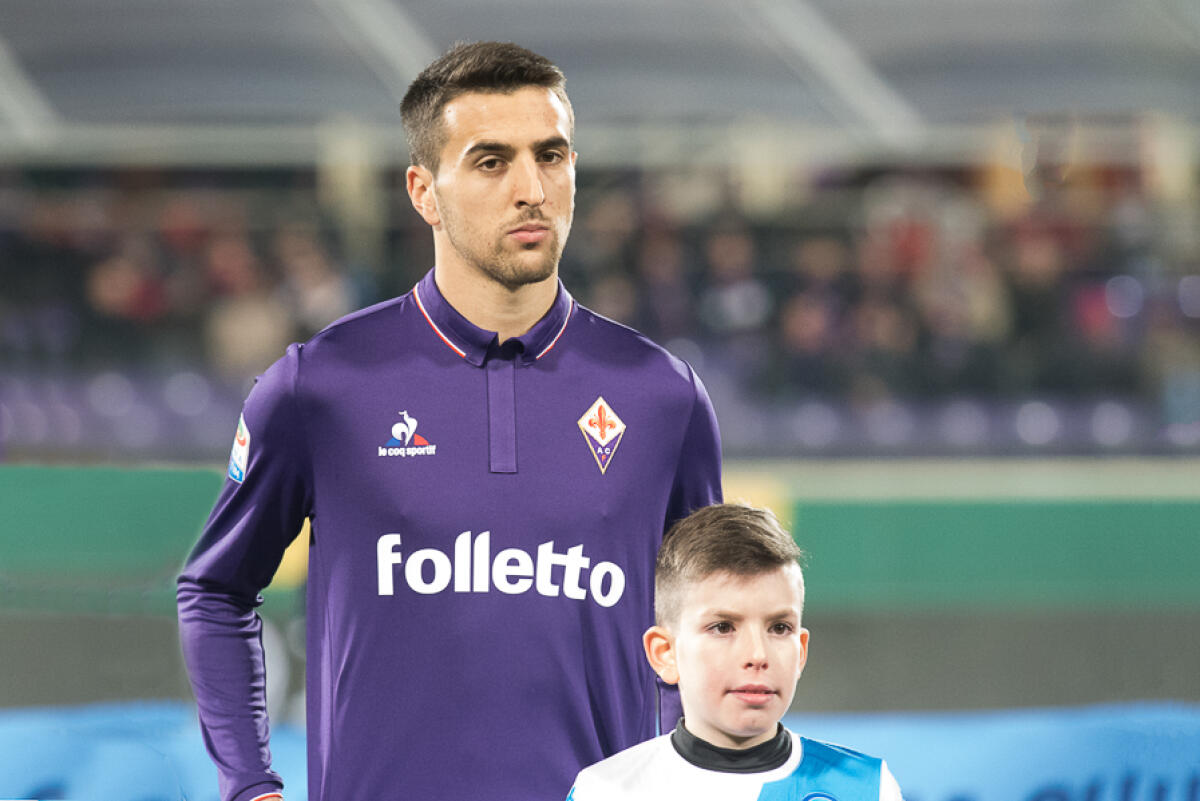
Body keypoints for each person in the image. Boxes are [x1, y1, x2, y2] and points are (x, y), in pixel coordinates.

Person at [176, 41, 722, 801]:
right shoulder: (319, 386)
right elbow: (215, 591)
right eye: (492, 161)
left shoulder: (664, 397)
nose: (532, 188)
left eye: (552, 155)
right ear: (424, 191)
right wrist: (250, 785)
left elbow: (708, 621)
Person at [567, 503, 903, 800]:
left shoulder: (867, 788)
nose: (757, 655)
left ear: (800, 652)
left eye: (779, 628)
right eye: (723, 627)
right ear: (665, 653)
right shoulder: (604, 791)